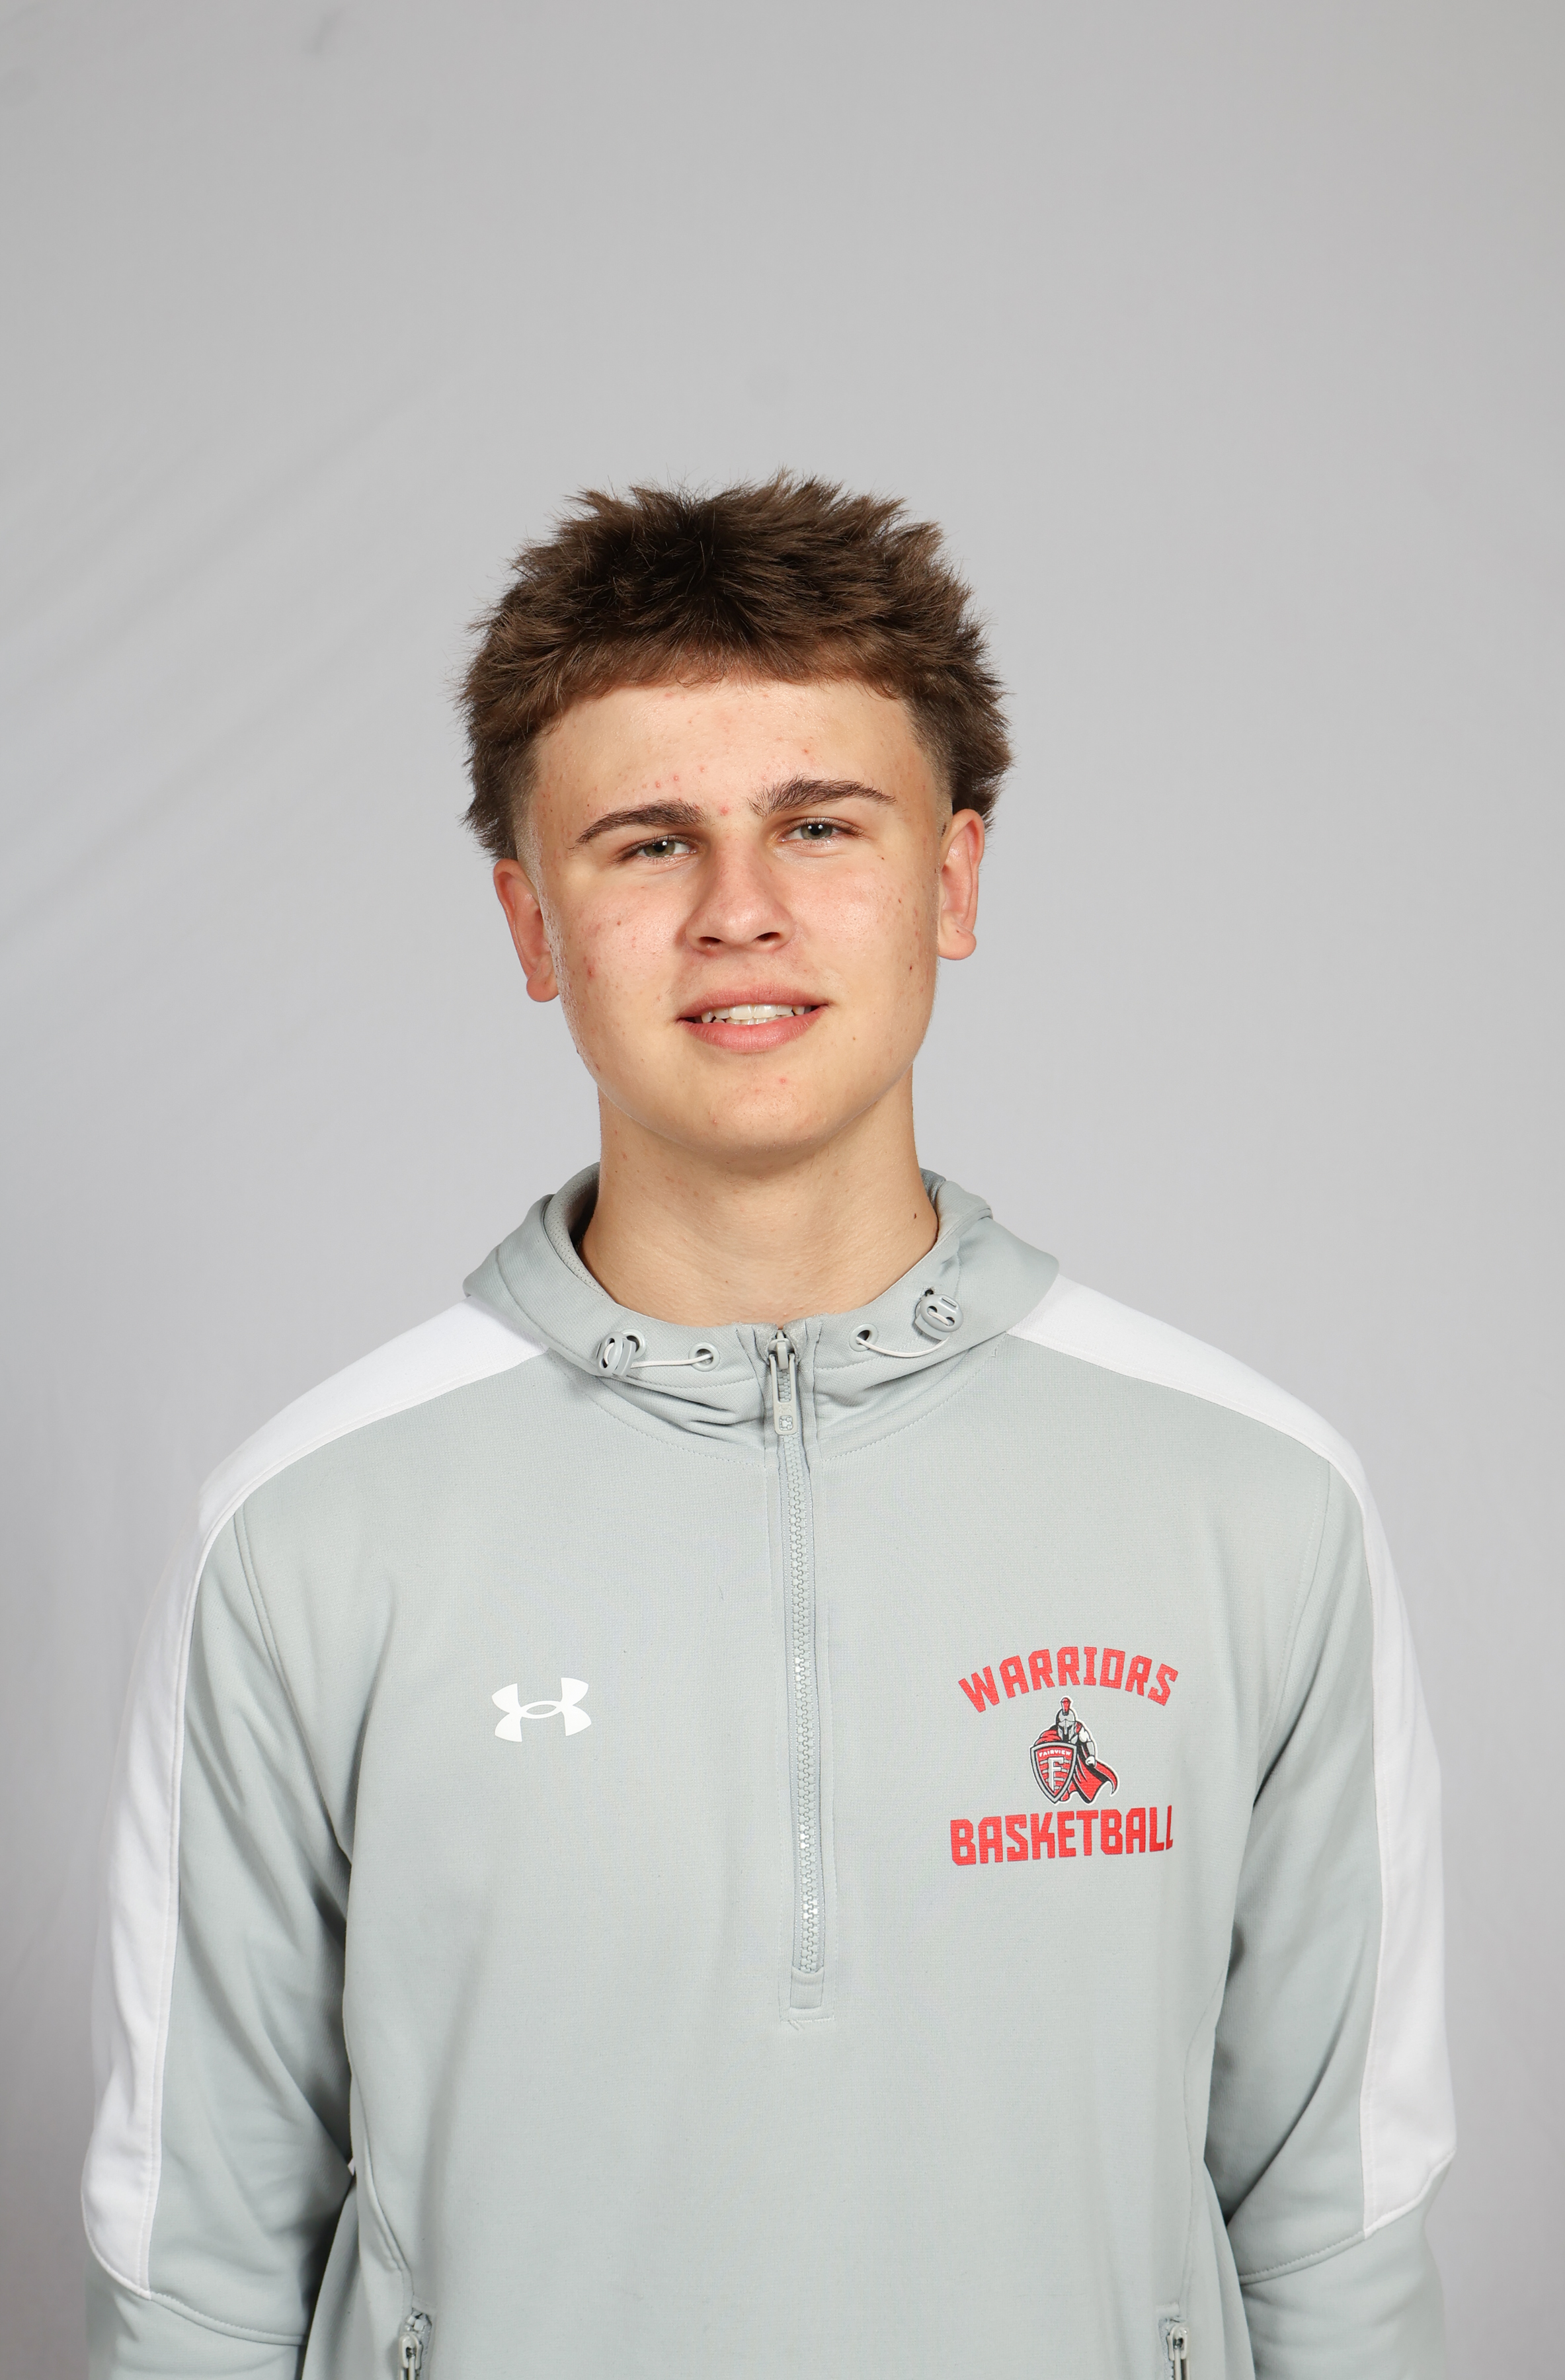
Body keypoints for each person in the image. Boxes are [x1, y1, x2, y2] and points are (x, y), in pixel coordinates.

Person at [82, 477, 1455, 2378]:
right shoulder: (305, 1530)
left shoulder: (1260, 1501)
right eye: (648, 843)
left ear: (952, 881)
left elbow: (1339, 2239)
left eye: (820, 825)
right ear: (533, 921)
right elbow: (198, 2268)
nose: (740, 911)